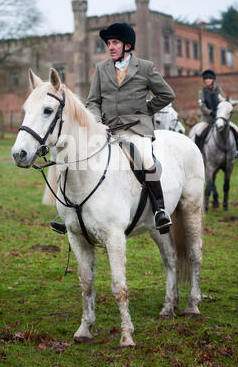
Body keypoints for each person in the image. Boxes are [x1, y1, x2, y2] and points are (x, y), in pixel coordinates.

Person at [51, 22, 175, 236]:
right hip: (106, 129)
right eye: (109, 43)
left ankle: (159, 210)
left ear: (127, 45)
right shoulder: (101, 68)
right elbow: (92, 102)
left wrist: (144, 111)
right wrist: (97, 121)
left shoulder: (145, 68)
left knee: (145, 159)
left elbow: (167, 94)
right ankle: (69, 213)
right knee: (74, 155)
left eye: (115, 42)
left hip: (136, 129)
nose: (111, 47)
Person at [195, 69, 238, 158]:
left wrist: (220, 112)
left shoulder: (219, 90)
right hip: (207, 119)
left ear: (213, 80)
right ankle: (197, 153)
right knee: (198, 133)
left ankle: (237, 151)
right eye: (206, 79)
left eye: (209, 79)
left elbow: (223, 102)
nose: (207, 80)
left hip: (220, 118)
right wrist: (211, 113)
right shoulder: (201, 92)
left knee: (237, 130)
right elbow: (202, 107)